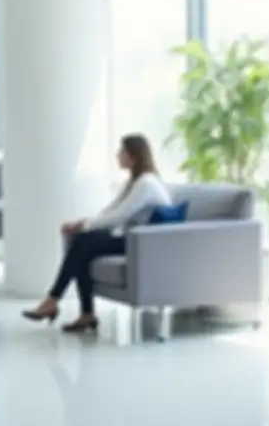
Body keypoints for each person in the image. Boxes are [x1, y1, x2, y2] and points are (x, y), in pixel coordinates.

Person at [23, 134, 171, 333]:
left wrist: (85, 226)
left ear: (133, 156)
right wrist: (82, 223)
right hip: (130, 239)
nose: (117, 155)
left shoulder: (146, 184)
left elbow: (119, 217)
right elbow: (110, 211)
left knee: (83, 241)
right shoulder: (133, 182)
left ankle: (54, 300)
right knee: (81, 244)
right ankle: (84, 314)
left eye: (122, 152)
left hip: (143, 244)